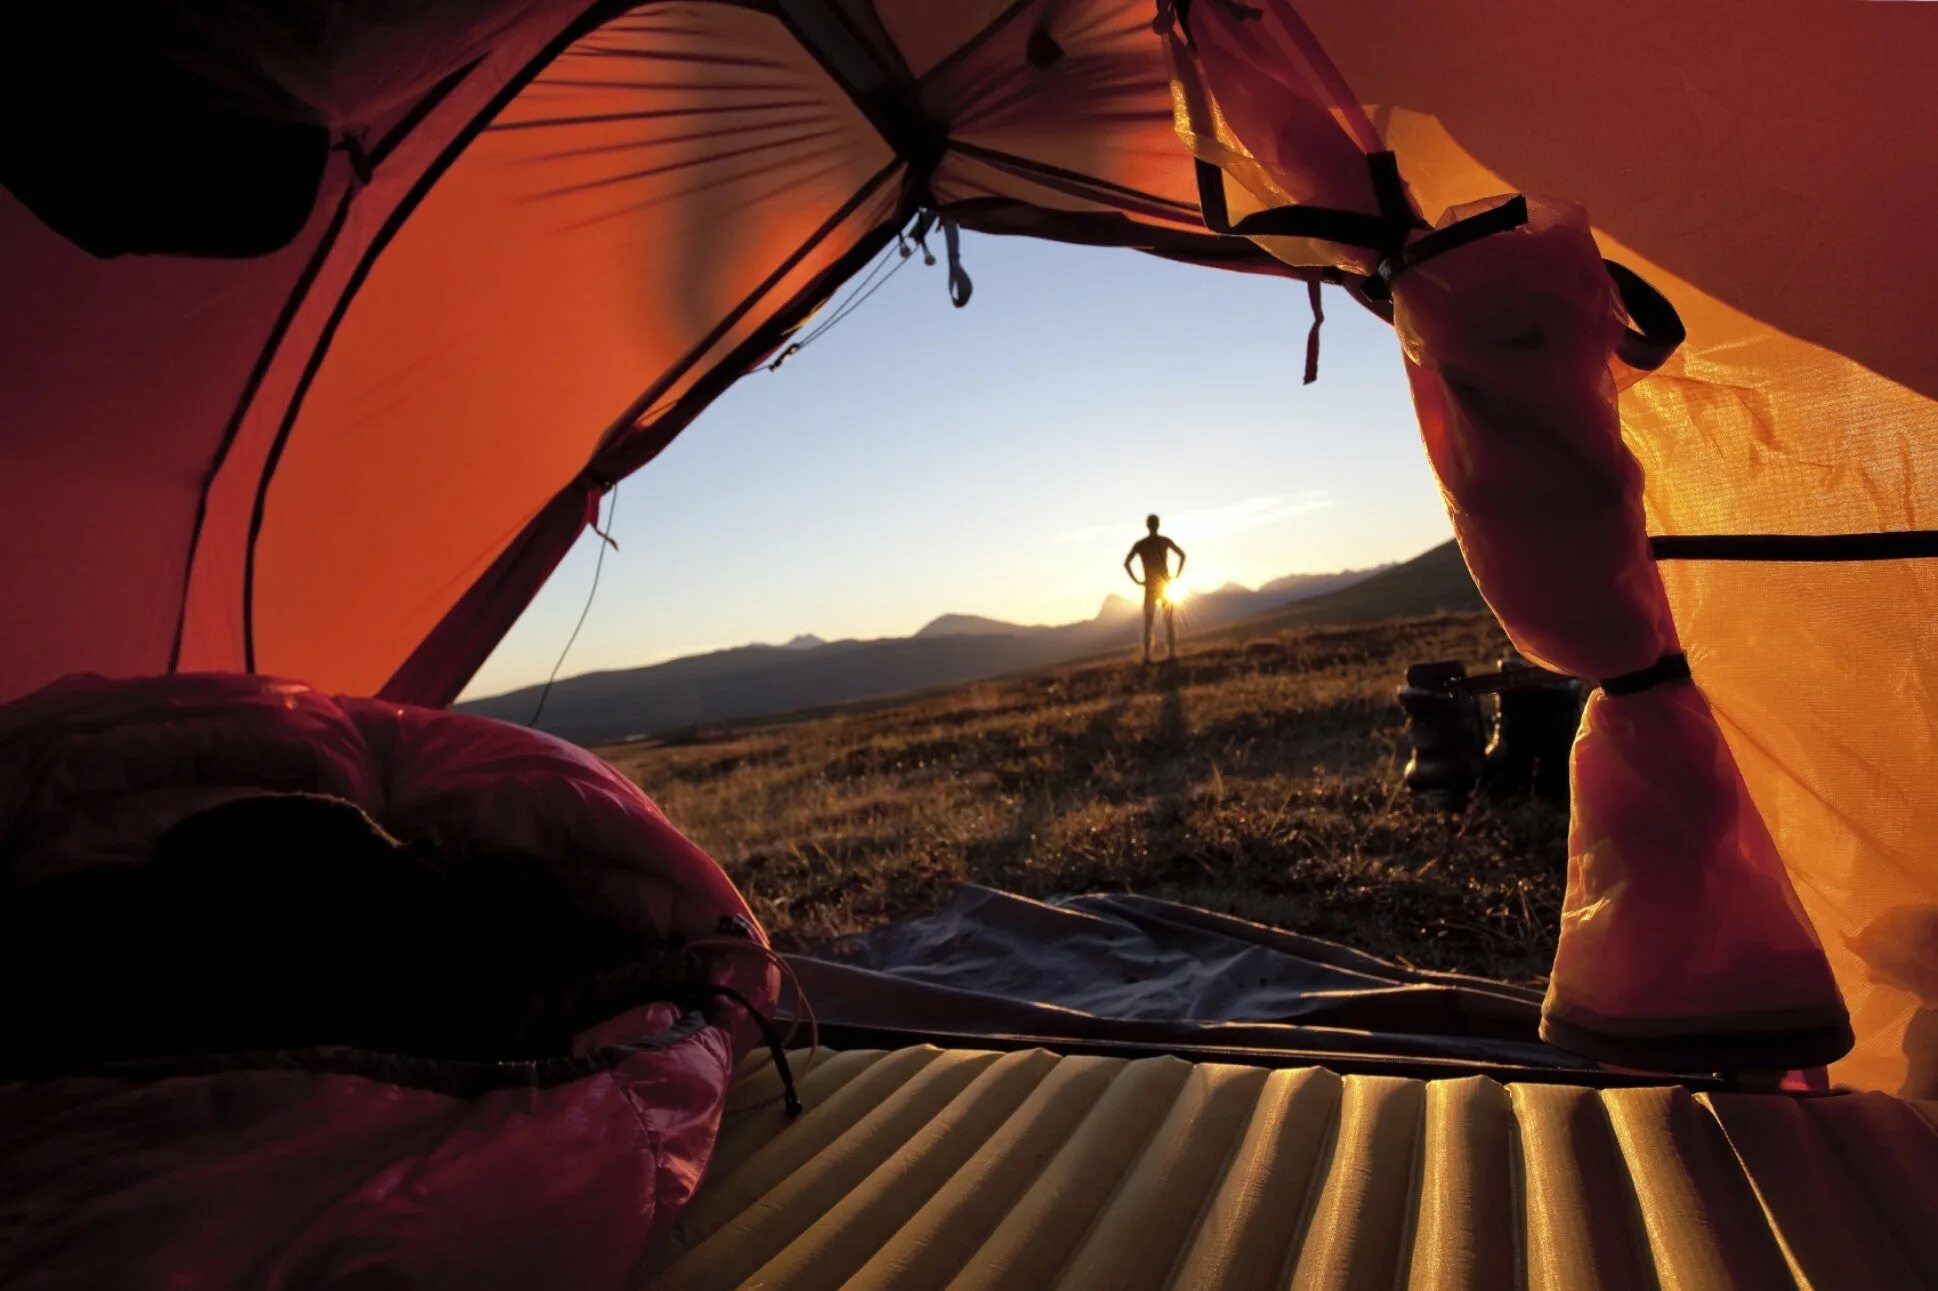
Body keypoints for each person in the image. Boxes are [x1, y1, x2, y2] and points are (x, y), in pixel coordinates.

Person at [1123, 514, 1186, 665]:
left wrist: (1138, 581)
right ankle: (1171, 654)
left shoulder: (1141, 544)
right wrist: (1176, 576)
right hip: (1164, 585)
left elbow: (1127, 563)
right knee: (1168, 621)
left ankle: (1147, 657)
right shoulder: (1164, 541)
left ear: (1147, 525)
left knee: (1149, 623)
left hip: (1151, 586)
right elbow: (1182, 555)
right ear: (1157, 525)